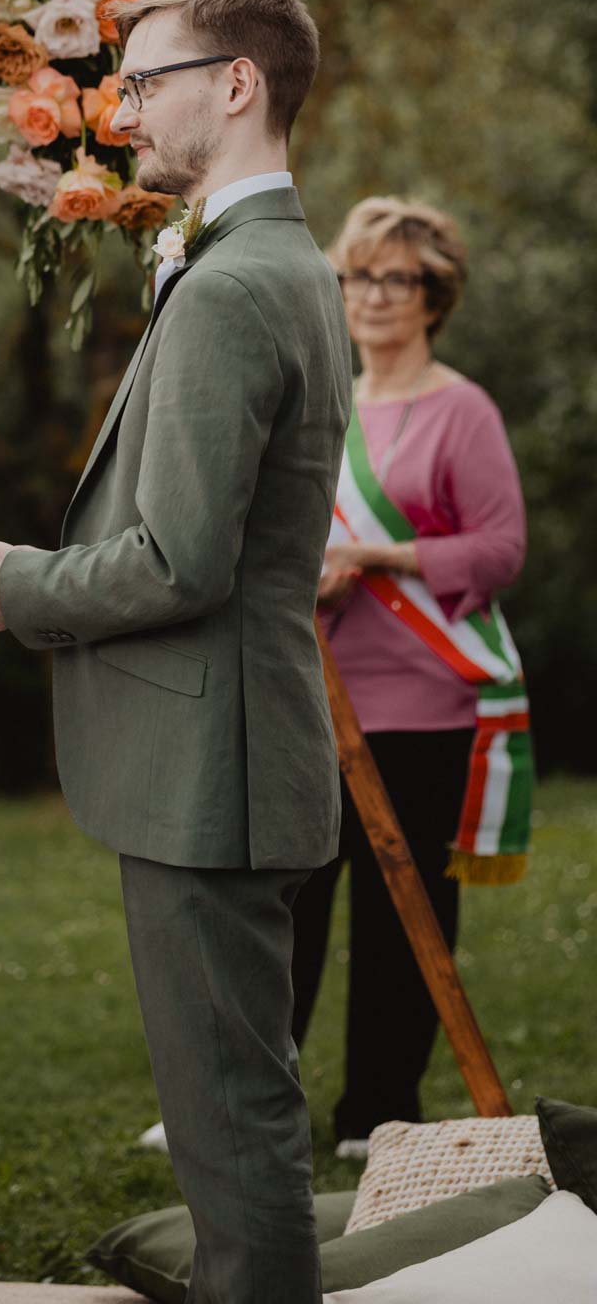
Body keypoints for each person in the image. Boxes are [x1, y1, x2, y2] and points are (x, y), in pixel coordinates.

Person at [0, 0, 352, 1304]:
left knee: (235, 1135)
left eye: (146, 80)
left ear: (235, 86)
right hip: (223, 757)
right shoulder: (273, 260)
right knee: (239, 1120)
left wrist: (23, 588)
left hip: (210, 773)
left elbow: (183, 558)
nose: (123, 112)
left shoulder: (237, 287)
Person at [292, 195, 530, 1155]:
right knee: (286, 907)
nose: (374, 296)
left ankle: (377, 1113)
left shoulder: (462, 408)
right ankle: (257, 1101)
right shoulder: (325, 403)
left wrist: (380, 562)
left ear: (434, 296)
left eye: (397, 279)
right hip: (318, 698)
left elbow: (501, 549)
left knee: (405, 918)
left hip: (428, 703)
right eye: (358, 276)